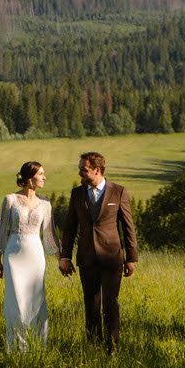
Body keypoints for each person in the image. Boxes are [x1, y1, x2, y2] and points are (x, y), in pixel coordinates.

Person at [59, 151, 138, 355]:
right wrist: (65, 257)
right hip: (86, 257)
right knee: (91, 305)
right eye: (79, 170)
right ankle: (93, 348)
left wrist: (131, 258)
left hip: (112, 258)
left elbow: (128, 227)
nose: (80, 174)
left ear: (97, 170)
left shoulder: (118, 192)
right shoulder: (77, 193)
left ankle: (112, 347)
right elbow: (69, 227)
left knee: (111, 304)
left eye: (83, 170)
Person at [0, 161, 61, 352]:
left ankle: (37, 346)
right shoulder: (10, 200)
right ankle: (16, 347)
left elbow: (50, 234)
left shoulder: (45, 203)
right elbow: (2, 231)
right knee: (16, 300)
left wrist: (60, 260)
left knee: (35, 299)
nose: (44, 177)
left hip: (36, 255)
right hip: (13, 254)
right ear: (30, 178)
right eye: (41, 174)